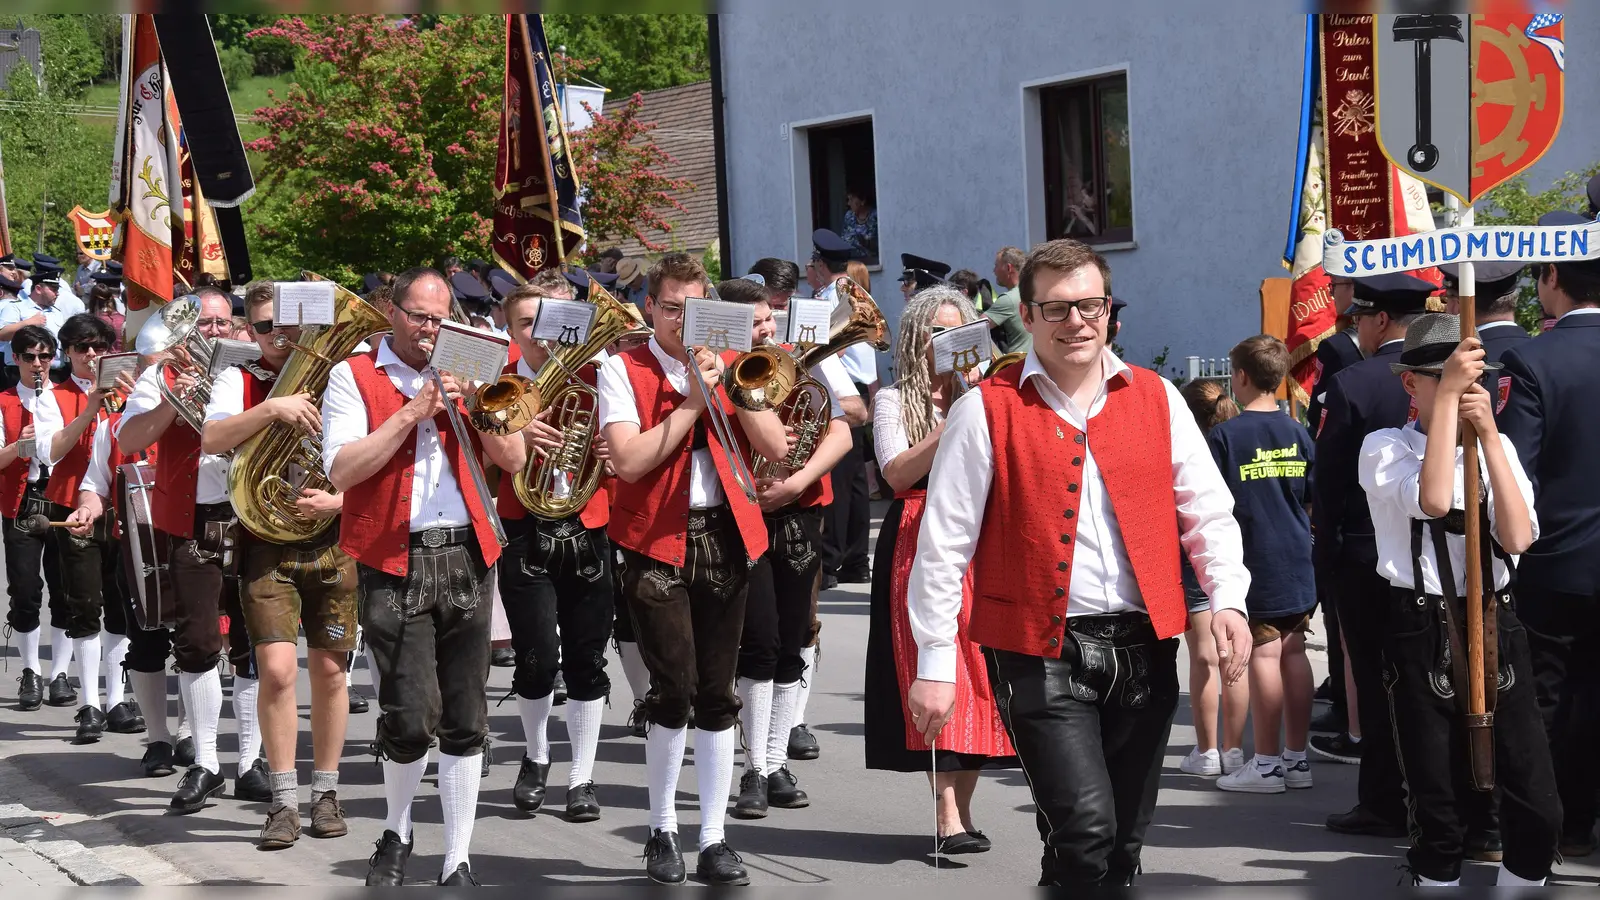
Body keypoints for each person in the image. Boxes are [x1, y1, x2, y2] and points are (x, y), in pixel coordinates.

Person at [906, 239, 1254, 886]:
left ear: (1109, 311)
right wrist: (934, 663)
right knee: (1086, 829)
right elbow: (944, 544)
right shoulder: (984, 409)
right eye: (1057, 308)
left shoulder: (1158, 397)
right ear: (1027, 316)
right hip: (1040, 649)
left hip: (1145, 643)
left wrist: (1228, 598)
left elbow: (1207, 511)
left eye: (1090, 305)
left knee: (1120, 846)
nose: (1077, 321)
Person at [323, 268, 527, 886]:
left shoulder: (473, 366)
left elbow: (515, 459)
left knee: (466, 714)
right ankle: (397, 828)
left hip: (467, 552)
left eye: (440, 318)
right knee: (409, 713)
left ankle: (457, 856)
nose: (430, 329)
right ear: (392, 311)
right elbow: (342, 471)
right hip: (394, 556)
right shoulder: (353, 375)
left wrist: (477, 405)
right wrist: (413, 411)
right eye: (418, 316)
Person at [595, 252, 789, 886]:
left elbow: (775, 445)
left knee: (717, 693)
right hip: (655, 542)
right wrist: (690, 402)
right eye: (673, 308)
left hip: (725, 538)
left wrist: (728, 385)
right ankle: (662, 830)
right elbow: (629, 461)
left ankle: (712, 837)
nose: (683, 320)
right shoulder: (622, 367)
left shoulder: (731, 361)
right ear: (651, 307)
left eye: (695, 309)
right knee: (672, 691)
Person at [1359, 316, 1558, 886]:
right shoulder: (1385, 447)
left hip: (1496, 617)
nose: (1467, 388)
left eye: (1475, 378)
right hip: (1422, 621)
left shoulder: (1501, 448)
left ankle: (1524, 880)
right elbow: (1433, 499)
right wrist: (1446, 402)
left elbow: (1517, 538)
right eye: (1445, 376)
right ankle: (1437, 876)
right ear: (1411, 383)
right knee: (1437, 790)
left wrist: (1490, 437)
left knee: (1532, 789)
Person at [199, 281, 357, 850]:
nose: (278, 336)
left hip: (331, 537)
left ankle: (327, 792)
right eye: (265, 326)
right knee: (277, 671)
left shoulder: (340, 374)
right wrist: (271, 407)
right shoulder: (236, 378)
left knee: (332, 672)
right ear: (250, 330)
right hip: (265, 540)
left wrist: (340, 499)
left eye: (288, 324)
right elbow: (211, 438)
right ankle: (284, 800)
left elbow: (369, 458)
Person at [864, 285, 1015, 854]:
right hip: (917, 528)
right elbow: (895, 473)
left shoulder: (990, 392)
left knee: (980, 676)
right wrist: (953, 419)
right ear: (915, 337)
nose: (947, 340)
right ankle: (947, 816)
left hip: (982, 536)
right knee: (932, 666)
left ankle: (964, 812)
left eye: (957, 330)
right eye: (937, 331)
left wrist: (980, 400)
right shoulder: (893, 399)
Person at [115, 288, 268, 812]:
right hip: (194, 521)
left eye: (223, 322)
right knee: (198, 642)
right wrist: (172, 402)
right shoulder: (161, 376)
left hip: (253, 515)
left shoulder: (254, 373)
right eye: (204, 323)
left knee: (253, 640)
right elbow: (130, 441)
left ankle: (250, 761)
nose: (215, 332)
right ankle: (206, 762)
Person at [717, 276, 853, 819]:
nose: (767, 329)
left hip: (799, 511)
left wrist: (796, 483)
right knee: (759, 642)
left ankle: (775, 762)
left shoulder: (797, 361)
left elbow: (841, 432)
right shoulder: (717, 368)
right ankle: (754, 767)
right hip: (744, 514)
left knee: (794, 638)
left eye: (768, 318)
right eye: (754, 323)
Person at [1308, 274, 1428, 840]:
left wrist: (1325, 552)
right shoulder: (1445, 374)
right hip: (1433, 554)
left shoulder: (1352, 382)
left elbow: (1328, 480)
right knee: (1430, 678)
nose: (1357, 327)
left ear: (1381, 319)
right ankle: (1439, 798)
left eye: (1359, 317)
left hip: (1364, 555)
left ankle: (1384, 800)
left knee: (1379, 682)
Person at [494, 277, 616, 824]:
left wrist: (609, 450)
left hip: (587, 525)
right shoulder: (498, 383)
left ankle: (581, 776)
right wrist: (518, 437)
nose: (543, 334)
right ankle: (537, 755)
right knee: (537, 656)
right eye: (528, 323)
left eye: (555, 322)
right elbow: (484, 460)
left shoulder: (599, 376)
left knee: (588, 658)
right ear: (510, 329)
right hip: (525, 528)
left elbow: (624, 450)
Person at [1497, 210, 1600, 857]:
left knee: (1543, 703)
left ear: (1552, 276)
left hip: (1554, 564)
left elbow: (1516, 472)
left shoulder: (1531, 360)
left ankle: (1550, 830)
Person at [1207, 336, 1316, 794]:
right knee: (1295, 652)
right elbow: (1309, 497)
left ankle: (1267, 764)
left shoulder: (1226, 436)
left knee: (1266, 655)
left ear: (1241, 377)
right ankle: (1296, 758)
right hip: (1297, 553)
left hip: (1256, 557)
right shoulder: (1298, 431)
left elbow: (1211, 504)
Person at [45, 315, 137, 744]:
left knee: (120, 605)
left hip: (122, 506)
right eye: (82, 347)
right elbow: (52, 451)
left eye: (99, 346)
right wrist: (89, 409)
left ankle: (116, 699)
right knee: (83, 604)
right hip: (73, 506)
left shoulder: (129, 393)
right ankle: (89, 703)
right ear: (68, 352)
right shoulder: (54, 395)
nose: (91, 354)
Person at [1174, 380, 1246, 778]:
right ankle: (1233, 750)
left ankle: (1207, 752)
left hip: (1194, 560)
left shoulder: (1194, 450)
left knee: (1205, 655)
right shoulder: (1234, 441)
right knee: (1233, 655)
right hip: (1238, 558)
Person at [2, 326, 66, 712]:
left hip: (62, 498)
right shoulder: (4, 401)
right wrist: (18, 446)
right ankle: (30, 670)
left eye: (44, 356)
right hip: (23, 501)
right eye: (29, 357)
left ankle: (60, 672)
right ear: (16, 359)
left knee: (66, 589)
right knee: (25, 591)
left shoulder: (66, 398)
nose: (38, 364)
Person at [0, 265, 72, 382]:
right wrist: (28, 323)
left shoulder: (57, 312)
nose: (57, 293)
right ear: (38, 289)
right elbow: (2, 334)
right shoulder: (16, 307)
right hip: (22, 373)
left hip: (54, 373)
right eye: (53, 289)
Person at [986, 246, 1032, 355]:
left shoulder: (1008, 299)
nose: (994, 271)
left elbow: (974, 330)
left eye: (996, 265)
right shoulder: (1034, 291)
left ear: (1008, 268)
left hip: (1018, 362)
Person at [841, 186, 878, 259]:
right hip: (849, 259)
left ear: (863, 201)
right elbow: (843, 239)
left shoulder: (876, 216)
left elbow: (879, 246)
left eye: (851, 200)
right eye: (848, 200)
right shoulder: (849, 216)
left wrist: (865, 242)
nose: (849, 203)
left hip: (870, 261)